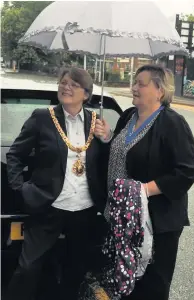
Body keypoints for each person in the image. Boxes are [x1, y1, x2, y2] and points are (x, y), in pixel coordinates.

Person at [94, 64, 194, 300]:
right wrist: (108, 138)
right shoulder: (128, 117)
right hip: (122, 220)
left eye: (141, 84)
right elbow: (121, 154)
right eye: (134, 82)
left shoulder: (172, 123)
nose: (134, 87)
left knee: (151, 286)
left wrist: (144, 190)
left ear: (159, 91)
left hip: (157, 222)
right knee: (125, 282)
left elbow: (188, 169)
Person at [5, 67, 110, 300]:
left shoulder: (96, 121)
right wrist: (20, 189)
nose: (66, 87)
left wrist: (107, 138)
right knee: (28, 268)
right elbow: (14, 155)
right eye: (63, 82)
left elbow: (108, 163)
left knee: (76, 270)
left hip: (84, 209)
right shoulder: (42, 117)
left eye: (73, 84)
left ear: (86, 93)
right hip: (48, 206)